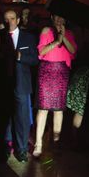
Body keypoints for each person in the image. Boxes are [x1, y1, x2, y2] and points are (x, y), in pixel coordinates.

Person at [34, 14, 77, 157]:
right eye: (57, 17)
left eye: (62, 17)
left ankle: (56, 142)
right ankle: (38, 144)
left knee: (59, 110)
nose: (59, 20)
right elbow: (41, 51)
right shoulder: (46, 31)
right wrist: (56, 41)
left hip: (62, 72)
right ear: (52, 18)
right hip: (47, 71)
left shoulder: (69, 33)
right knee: (43, 109)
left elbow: (73, 51)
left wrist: (63, 37)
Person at [0, 10, 38, 162]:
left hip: (21, 83)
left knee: (21, 118)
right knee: (5, 117)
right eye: (6, 19)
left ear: (18, 20)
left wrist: (22, 57)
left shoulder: (28, 37)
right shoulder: (0, 36)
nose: (9, 22)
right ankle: (6, 147)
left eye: (12, 18)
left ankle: (21, 149)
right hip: (4, 83)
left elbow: (35, 59)